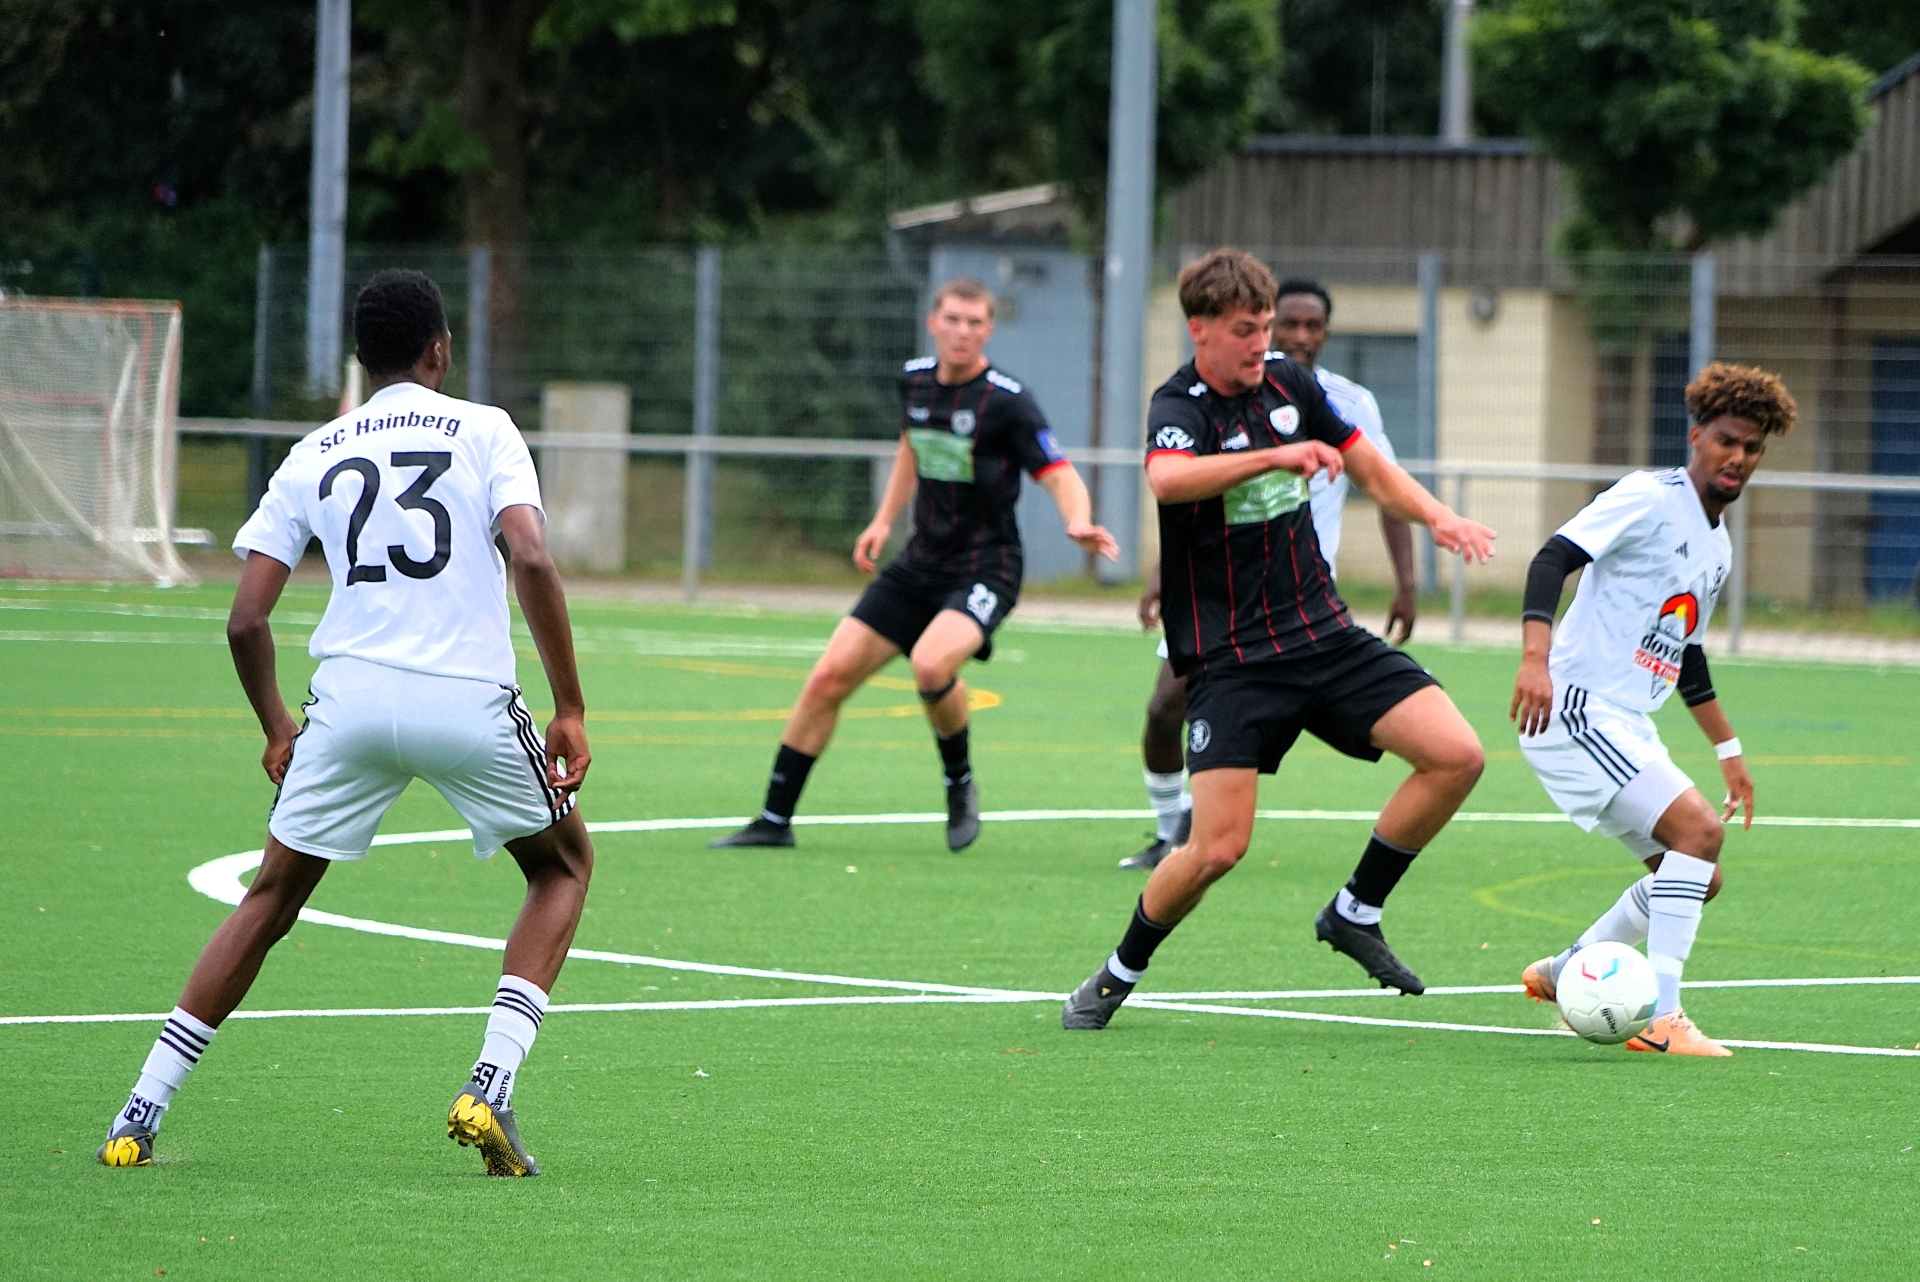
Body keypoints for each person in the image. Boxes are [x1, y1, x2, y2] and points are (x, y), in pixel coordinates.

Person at [95, 270, 594, 1175]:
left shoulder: (315, 451)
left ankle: (139, 1112)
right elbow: (529, 553)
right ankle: (489, 1086)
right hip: (466, 698)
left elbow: (245, 620)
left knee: (269, 899)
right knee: (562, 867)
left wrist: (276, 727)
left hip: (349, 703)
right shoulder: (486, 429)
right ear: (440, 349)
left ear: (362, 359)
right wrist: (570, 705)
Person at [1062, 249, 1496, 1030]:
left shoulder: (1293, 385)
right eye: (1244, 330)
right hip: (1234, 659)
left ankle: (1355, 911)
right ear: (1199, 329)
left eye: (1265, 327)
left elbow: (1372, 470)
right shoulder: (1181, 404)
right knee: (1216, 849)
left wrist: (1440, 517)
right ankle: (1117, 973)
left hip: (1323, 634)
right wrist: (1273, 457)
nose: (1262, 343)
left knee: (1457, 755)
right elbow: (1168, 479)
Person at [710, 278, 1117, 852]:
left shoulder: (1008, 401)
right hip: (919, 562)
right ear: (933, 323)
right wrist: (882, 520)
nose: (962, 331)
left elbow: (1060, 473)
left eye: (974, 322)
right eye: (952, 319)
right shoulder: (915, 380)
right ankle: (774, 821)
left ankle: (959, 783)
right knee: (827, 677)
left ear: (989, 331)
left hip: (986, 567)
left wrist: (1078, 520)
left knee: (929, 664)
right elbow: (911, 447)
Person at [1510, 362, 1794, 1057]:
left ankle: (1568, 967)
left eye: (1752, 447)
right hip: (1577, 710)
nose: (1738, 457)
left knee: (1697, 876)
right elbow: (1552, 559)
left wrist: (1729, 753)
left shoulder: (1717, 547)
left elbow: (1687, 655)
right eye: (1726, 441)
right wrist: (1535, 658)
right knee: (1699, 834)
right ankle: (1664, 1017)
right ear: (1696, 437)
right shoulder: (1646, 497)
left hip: (1625, 723)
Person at [1124, 278, 1420, 869]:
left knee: (1279, 706)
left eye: (1313, 326)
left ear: (1327, 333)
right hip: (1218, 590)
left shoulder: (1345, 401)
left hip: (1302, 596)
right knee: (1164, 707)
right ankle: (1169, 829)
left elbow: (1383, 483)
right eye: (1286, 324)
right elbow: (1195, 493)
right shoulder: (1211, 397)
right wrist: (1163, 572)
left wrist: (1408, 582)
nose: (1298, 336)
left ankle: (1209, 828)